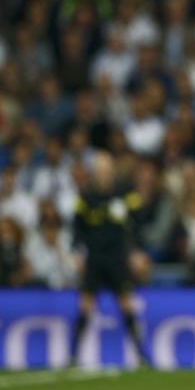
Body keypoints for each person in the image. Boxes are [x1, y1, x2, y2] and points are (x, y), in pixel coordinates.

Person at [69, 152, 149, 367]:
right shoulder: (86, 197)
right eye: (99, 170)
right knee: (85, 305)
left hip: (117, 257)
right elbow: (77, 228)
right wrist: (77, 252)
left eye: (106, 170)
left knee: (126, 305)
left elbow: (138, 222)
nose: (103, 175)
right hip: (94, 257)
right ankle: (73, 356)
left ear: (112, 171)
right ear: (94, 173)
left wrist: (137, 251)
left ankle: (141, 356)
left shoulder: (125, 192)